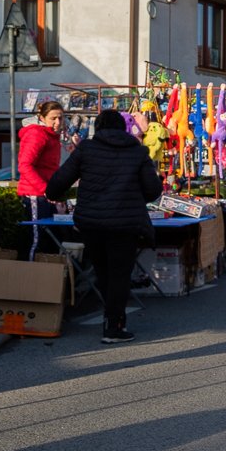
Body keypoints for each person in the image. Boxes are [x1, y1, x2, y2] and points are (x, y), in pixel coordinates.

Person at [46, 109, 162, 345]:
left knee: (102, 271)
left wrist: (57, 195)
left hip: (92, 223)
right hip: (125, 224)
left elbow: (59, 182)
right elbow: (153, 189)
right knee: (120, 273)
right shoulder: (137, 152)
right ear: (123, 128)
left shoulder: (86, 149)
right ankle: (114, 326)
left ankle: (109, 318)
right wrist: (133, 195)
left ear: (97, 128)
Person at [18, 100, 65, 257]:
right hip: (35, 195)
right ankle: (28, 278)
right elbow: (24, 165)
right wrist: (45, 190)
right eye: (53, 118)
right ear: (42, 118)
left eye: (61, 118)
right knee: (36, 241)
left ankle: (46, 279)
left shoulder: (53, 137)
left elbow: (50, 168)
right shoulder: (37, 135)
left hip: (46, 195)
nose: (57, 122)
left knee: (49, 241)